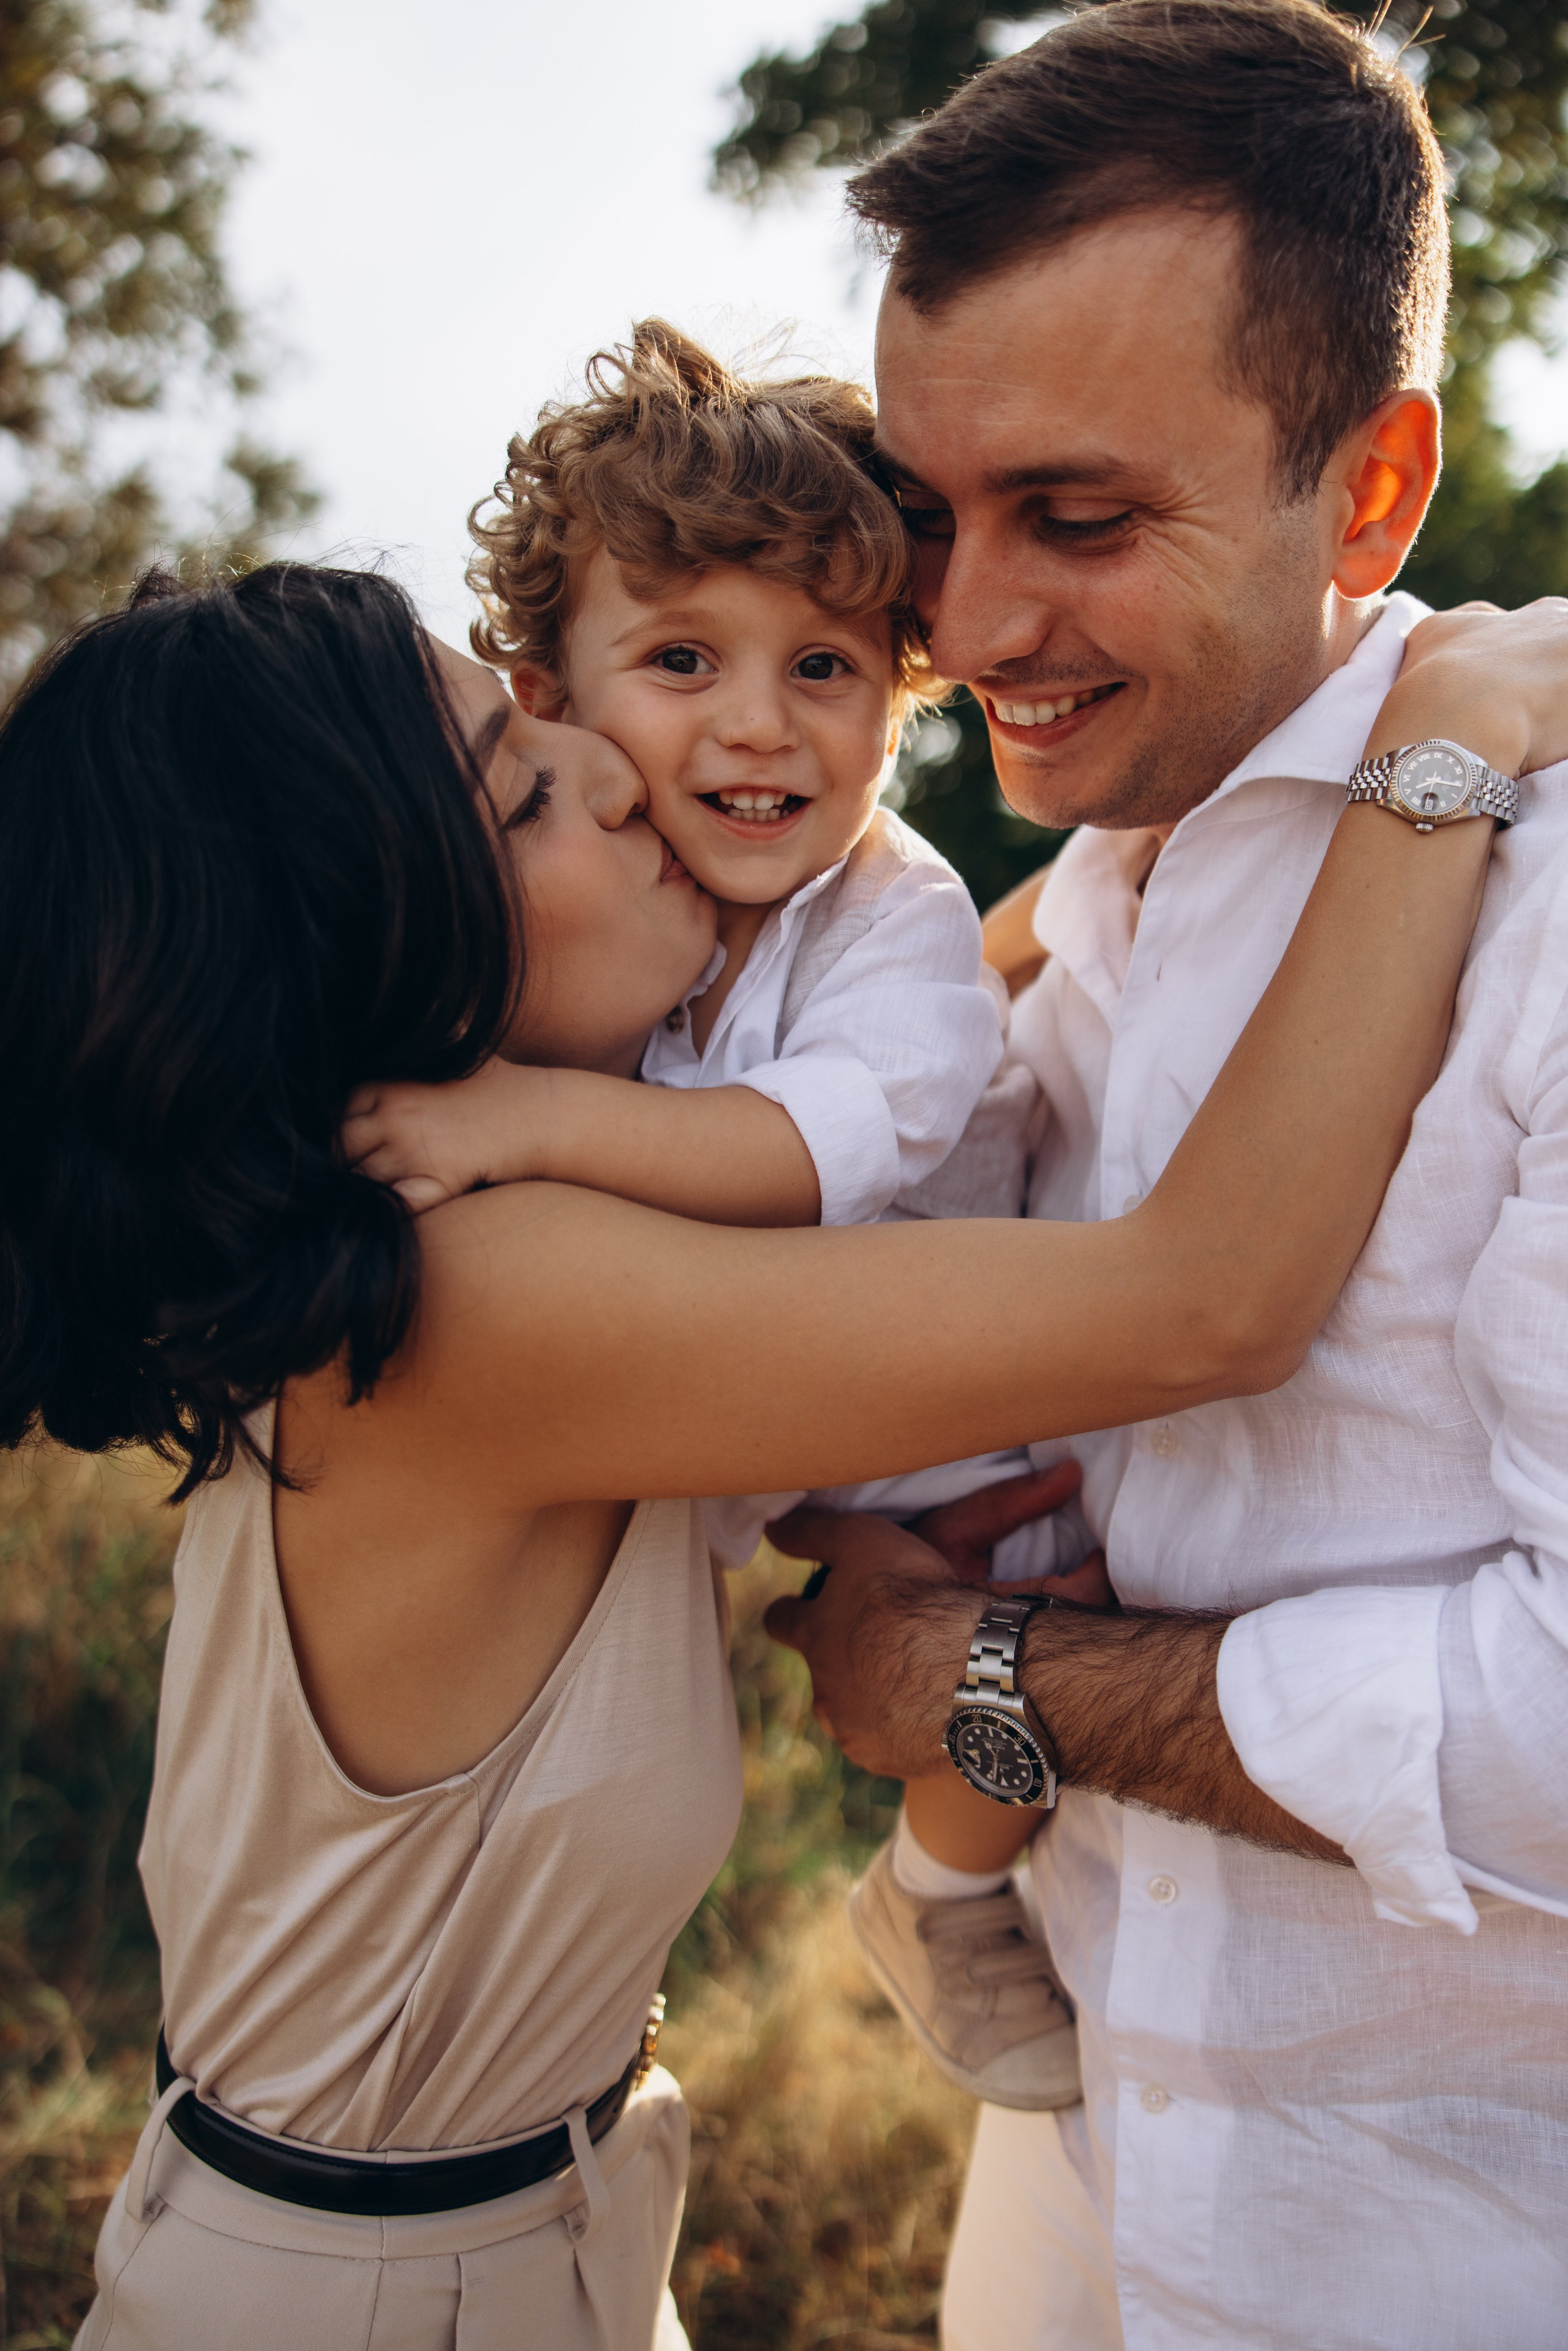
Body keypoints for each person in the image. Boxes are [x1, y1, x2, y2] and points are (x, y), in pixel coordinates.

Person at [0, 561, 1555, 2351]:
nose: (606, 770)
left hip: (524, 2229)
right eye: (521, 792)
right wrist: (1434, 758)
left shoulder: (424, 1244)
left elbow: (877, 1048)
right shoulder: (471, 1307)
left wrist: (1120, 891)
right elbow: (1210, 1299)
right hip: (362, 2299)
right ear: (371, 943)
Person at [764, 5, 1568, 2345]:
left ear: (1375, 493)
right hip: (1077, 2160)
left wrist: (977, 1681)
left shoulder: (1541, 908)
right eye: (930, 516)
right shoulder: (1054, 918)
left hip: (1457, 2242)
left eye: (1083, 519)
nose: (964, 627)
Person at [352, 317, 1100, 2110]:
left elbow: (822, 1151)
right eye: (683, 658)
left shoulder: (891, 921)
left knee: (1036, 1625)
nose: (760, 725)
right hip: (727, 1425)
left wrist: (530, 1123)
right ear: (547, 694)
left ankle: (938, 1897)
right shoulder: (597, 917)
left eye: (826, 668)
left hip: (951, 1426)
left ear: (902, 700)